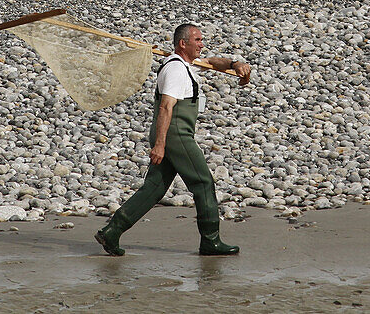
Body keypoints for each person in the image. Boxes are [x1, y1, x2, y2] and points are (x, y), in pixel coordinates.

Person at [94, 22, 252, 256]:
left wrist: (234, 64)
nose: (201, 44)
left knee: (154, 188)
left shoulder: (186, 65)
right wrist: (160, 144)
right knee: (203, 183)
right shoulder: (176, 70)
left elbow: (211, 62)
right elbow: (167, 107)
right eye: (197, 40)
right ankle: (211, 241)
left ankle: (112, 231)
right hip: (175, 135)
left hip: (171, 134)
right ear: (183, 43)